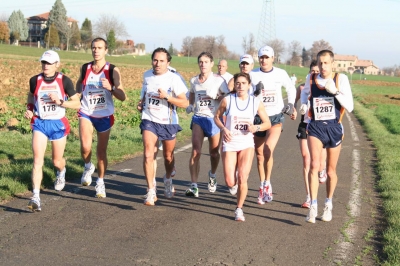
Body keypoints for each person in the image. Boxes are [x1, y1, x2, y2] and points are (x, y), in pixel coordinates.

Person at [301, 50, 354, 223]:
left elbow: (350, 106)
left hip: (334, 127)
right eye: (320, 63)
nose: (322, 66)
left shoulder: (341, 79)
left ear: (332, 64)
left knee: (330, 171)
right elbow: (304, 93)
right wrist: (303, 105)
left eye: (326, 63)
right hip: (315, 126)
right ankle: (313, 205)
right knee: (314, 164)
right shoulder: (311, 78)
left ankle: (328, 204)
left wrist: (336, 92)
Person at [24, 50, 81, 211]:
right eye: (43, 62)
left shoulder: (64, 81)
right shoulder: (35, 80)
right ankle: (35, 197)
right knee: (37, 161)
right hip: (40, 123)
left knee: (56, 161)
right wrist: (30, 108)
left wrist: (61, 102)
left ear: (57, 64)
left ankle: (61, 171)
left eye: (49, 63)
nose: (45, 66)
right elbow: (30, 95)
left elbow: (77, 103)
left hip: (58, 124)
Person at [214, 73, 271, 221]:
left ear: (249, 85)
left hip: (246, 143)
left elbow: (267, 123)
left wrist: (256, 128)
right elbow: (216, 117)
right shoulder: (227, 100)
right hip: (230, 142)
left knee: (243, 178)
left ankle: (239, 209)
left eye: (243, 83)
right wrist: (224, 129)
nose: (240, 86)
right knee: (229, 181)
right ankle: (234, 183)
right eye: (237, 83)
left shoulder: (255, 102)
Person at [76, 37, 126, 198]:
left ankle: (100, 182)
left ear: (106, 50)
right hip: (87, 112)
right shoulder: (85, 68)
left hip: (104, 115)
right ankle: (88, 166)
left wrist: (110, 88)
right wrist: (75, 96)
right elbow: (79, 85)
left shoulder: (112, 70)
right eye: (93, 48)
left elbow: (122, 95)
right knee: (85, 147)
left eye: (99, 48)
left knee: (101, 152)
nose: (96, 50)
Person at [139, 47, 188, 206]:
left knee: (168, 157)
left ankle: (167, 178)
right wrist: (141, 103)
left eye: (161, 61)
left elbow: (185, 102)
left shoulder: (174, 79)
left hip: (168, 122)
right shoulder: (147, 75)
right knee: (148, 154)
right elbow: (144, 95)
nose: (157, 63)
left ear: (168, 62)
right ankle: (151, 190)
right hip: (149, 119)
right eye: (155, 60)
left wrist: (167, 97)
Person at [250, 45, 297, 205]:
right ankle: (262, 184)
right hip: (259, 119)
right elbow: (244, 93)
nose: (264, 60)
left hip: (276, 117)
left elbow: (291, 88)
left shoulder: (280, 73)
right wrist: (255, 93)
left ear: (273, 59)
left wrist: (290, 104)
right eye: (261, 57)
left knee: (267, 149)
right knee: (259, 154)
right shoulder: (252, 74)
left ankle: (267, 183)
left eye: (266, 57)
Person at [185, 52, 230, 197]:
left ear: (211, 64)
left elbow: (228, 97)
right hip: (199, 117)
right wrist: (191, 104)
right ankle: (194, 186)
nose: (203, 64)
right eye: (201, 62)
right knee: (196, 151)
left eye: (206, 62)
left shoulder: (219, 80)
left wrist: (217, 96)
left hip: (214, 119)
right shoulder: (194, 80)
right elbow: (192, 93)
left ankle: (212, 174)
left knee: (213, 153)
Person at [294, 60, 327, 209]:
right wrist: (296, 109)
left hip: (320, 126)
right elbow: (295, 101)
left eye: (316, 71)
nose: (314, 73)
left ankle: (322, 169)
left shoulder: (323, 87)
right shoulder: (303, 87)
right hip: (305, 125)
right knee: (306, 159)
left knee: (318, 161)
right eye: (312, 71)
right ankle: (309, 196)